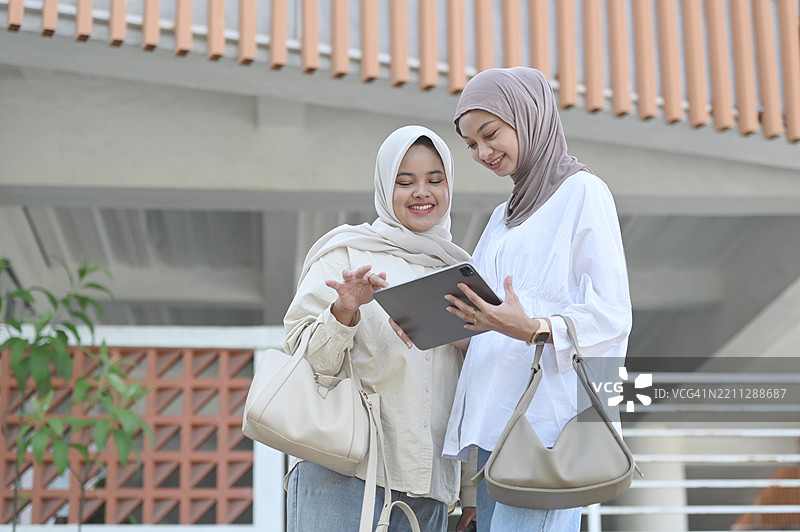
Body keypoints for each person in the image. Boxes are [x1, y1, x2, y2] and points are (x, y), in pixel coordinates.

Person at [439, 67, 633, 531]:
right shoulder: (502, 216)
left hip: (546, 426)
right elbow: (494, 318)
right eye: (471, 145)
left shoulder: (582, 192)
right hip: (494, 426)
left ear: (529, 118)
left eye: (490, 134)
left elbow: (612, 314)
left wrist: (534, 329)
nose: (483, 153)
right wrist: (439, 325)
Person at [283, 125, 478, 531]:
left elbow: (474, 390)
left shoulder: (461, 272)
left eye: (435, 180)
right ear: (385, 187)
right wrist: (344, 310)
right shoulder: (346, 255)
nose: (421, 192)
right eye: (404, 182)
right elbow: (302, 362)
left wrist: (470, 491)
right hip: (342, 474)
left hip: (428, 487)